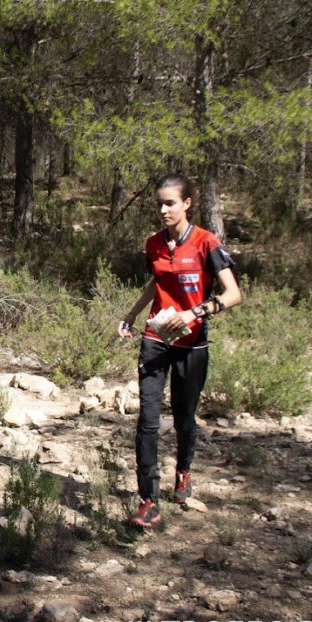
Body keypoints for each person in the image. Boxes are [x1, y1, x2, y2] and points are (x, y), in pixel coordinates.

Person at [117, 174, 242, 528]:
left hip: (192, 343)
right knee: (147, 421)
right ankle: (148, 501)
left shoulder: (206, 242)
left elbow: (233, 294)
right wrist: (131, 314)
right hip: (156, 340)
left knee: (184, 419)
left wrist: (196, 311)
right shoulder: (153, 243)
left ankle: (183, 473)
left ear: (187, 203)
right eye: (159, 203)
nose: (163, 209)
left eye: (170, 203)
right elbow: (157, 283)